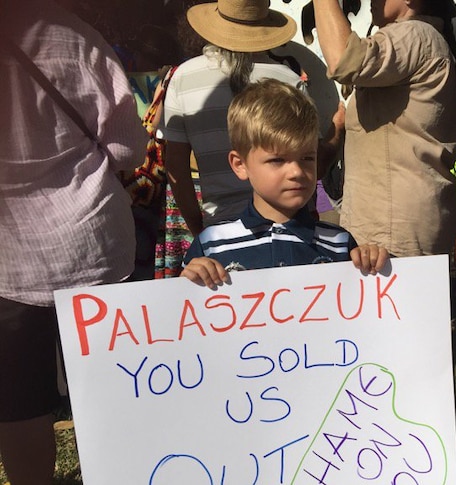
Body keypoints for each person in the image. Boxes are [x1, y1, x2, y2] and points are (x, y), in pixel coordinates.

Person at [0, 0, 146, 482]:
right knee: (114, 386)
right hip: (93, 251)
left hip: (8, 264)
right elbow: (127, 150)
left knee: (20, 406)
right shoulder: (67, 35)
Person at [181, 79, 388, 286]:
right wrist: (186, 283)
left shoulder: (339, 244)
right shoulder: (211, 245)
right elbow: (180, 310)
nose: (297, 171)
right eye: (277, 160)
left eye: (307, 158)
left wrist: (369, 263)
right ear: (240, 165)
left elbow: (360, 306)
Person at [311, 0, 456, 257]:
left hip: (389, 230)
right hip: (401, 224)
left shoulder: (414, 34)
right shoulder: (427, 38)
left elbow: (343, 61)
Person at [162, 0, 306, 236]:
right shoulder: (288, 79)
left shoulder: (182, 78)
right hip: (286, 222)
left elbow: (175, 165)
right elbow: (307, 162)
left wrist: (197, 227)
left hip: (219, 224)